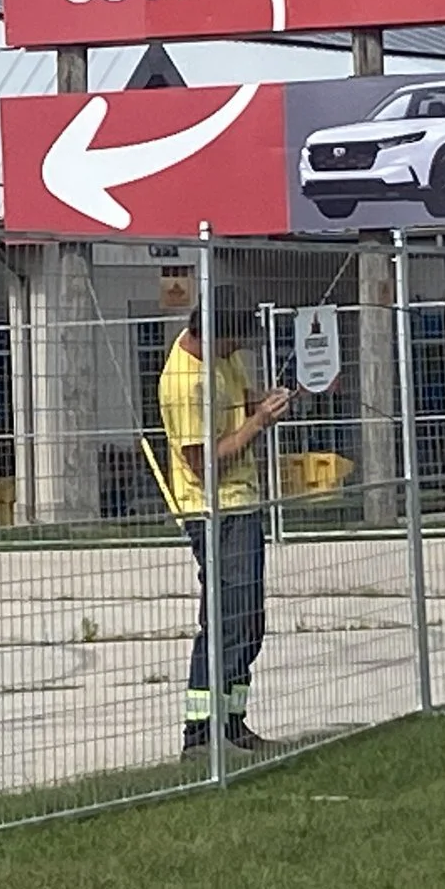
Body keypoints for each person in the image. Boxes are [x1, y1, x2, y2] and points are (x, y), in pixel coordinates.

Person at [158, 285, 293, 756]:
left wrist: (266, 400)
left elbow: (240, 398)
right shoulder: (185, 383)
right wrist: (259, 424)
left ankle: (233, 722)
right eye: (234, 340)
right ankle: (201, 735)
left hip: (243, 503)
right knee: (227, 617)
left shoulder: (221, 359)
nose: (238, 349)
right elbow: (203, 462)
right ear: (214, 334)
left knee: (248, 619)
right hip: (214, 509)